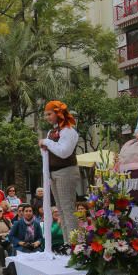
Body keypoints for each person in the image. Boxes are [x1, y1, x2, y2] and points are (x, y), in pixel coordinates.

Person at [39, 101, 79, 243]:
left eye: (49, 114)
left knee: (68, 210)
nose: (47, 117)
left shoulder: (68, 130)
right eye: (46, 115)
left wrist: (46, 142)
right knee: (61, 210)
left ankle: (76, 246)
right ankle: (68, 244)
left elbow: (64, 152)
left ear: (58, 113)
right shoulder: (52, 132)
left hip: (66, 171)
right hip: (54, 172)